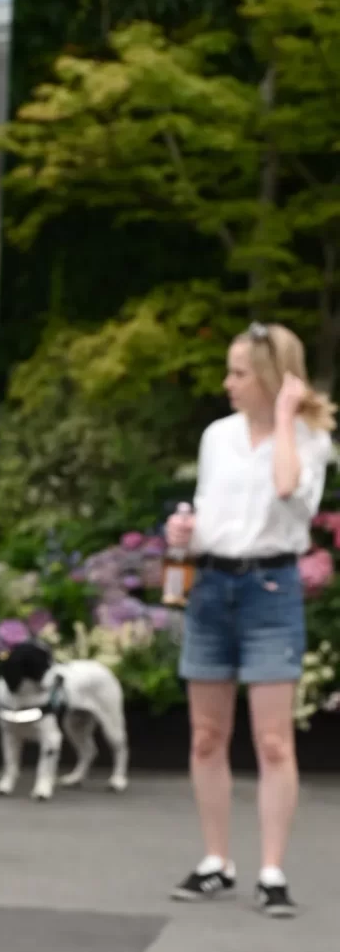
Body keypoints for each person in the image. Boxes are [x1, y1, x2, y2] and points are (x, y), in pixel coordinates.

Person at [163, 323, 333, 915]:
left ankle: (272, 869)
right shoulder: (217, 436)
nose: (227, 383)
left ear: (269, 378)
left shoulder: (309, 439)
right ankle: (216, 860)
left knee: (274, 740)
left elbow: (288, 488)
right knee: (207, 735)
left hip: (270, 588)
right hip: (212, 584)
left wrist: (285, 415)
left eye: (239, 373)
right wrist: (184, 533)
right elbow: (212, 509)